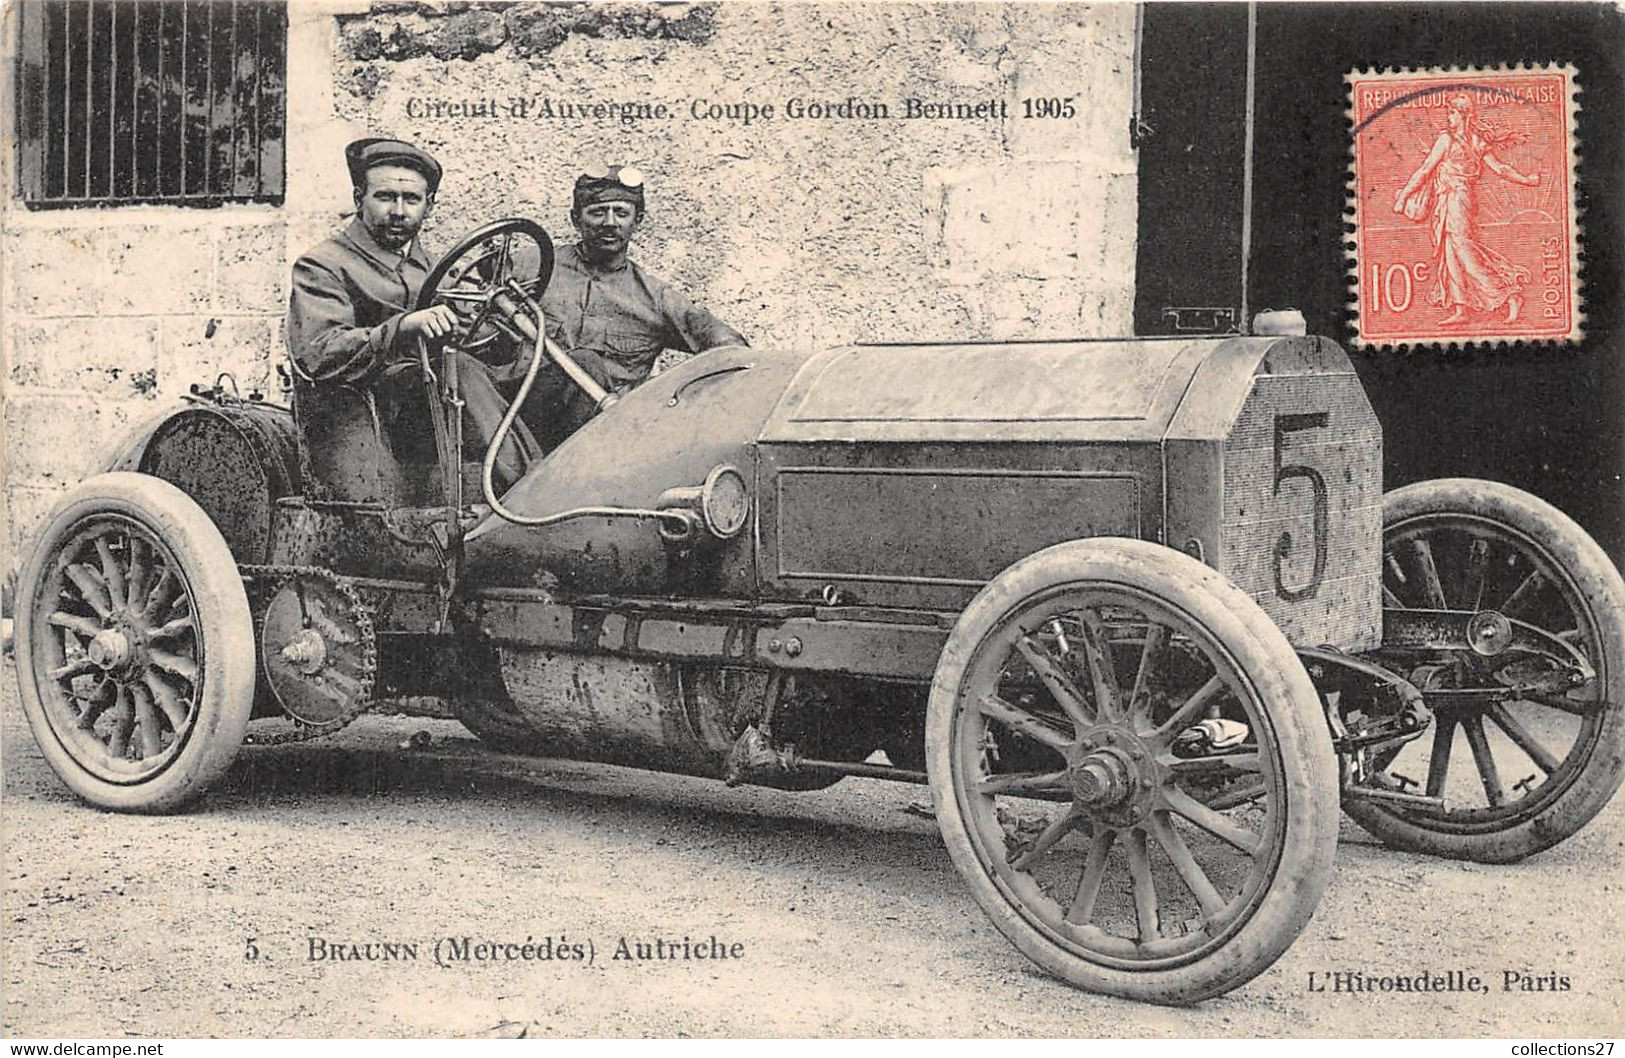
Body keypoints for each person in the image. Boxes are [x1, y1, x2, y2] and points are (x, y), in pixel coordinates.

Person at [286, 137, 535, 499]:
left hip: (438, 406)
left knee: (561, 369)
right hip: (366, 408)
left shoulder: (442, 270)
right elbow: (319, 353)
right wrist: (404, 327)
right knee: (459, 369)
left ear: (429, 206)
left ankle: (580, 489)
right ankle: (527, 492)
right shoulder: (323, 265)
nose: (399, 211)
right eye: (385, 197)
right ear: (359, 199)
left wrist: (501, 331)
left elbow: (484, 348)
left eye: (411, 199)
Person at [522, 164, 747, 449]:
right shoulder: (532, 265)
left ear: (637, 221)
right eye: (597, 212)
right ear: (575, 220)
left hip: (605, 442)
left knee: (587, 364)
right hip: (526, 424)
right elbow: (465, 286)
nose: (610, 222)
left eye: (621, 213)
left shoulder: (654, 297)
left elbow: (727, 346)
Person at [1392, 93, 1542, 326]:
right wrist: (1404, 194)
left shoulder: (1461, 141)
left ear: (1463, 115)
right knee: (1450, 253)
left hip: (1459, 201)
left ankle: (1510, 295)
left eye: (1452, 113)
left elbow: (1499, 168)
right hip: (1450, 201)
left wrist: (1526, 180)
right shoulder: (1462, 140)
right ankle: (1461, 308)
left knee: (1464, 251)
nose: (1448, 117)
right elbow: (1426, 170)